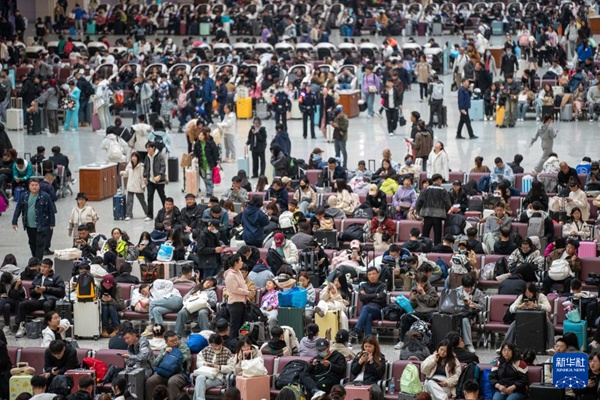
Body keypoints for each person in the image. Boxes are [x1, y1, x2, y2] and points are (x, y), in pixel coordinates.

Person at [498, 282, 554, 354]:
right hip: (523, 319)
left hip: (540, 319)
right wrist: (520, 306)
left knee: (550, 326)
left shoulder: (541, 296)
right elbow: (511, 308)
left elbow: (548, 308)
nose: (528, 295)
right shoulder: (521, 297)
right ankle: (504, 347)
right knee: (513, 325)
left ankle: (551, 347)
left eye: (530, 292)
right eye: (526, 293)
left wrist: (536, 306)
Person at [15, 259, 65, 338]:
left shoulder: (56, 277)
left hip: (50, 299)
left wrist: (46, 289)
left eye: (45, 267)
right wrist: (35, 291)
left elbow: (61, 291)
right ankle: (22, 326)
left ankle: (46, 328)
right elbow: (31, 292)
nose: (42, 268)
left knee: (46, 304)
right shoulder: (37, 277)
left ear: (50, 268)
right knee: (22, 304)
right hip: (38, 300)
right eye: (41, 266)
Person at [12, 179, 56, 259]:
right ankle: (35, 258)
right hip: (29, 224)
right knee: (32, 243)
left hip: (42, 224)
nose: (34, 187)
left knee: (40, 243)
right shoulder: (24, 196)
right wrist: (14, 221)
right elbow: (18, 208)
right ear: (29, 186)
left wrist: (52, 223)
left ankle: (38, 261)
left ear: (39, 186)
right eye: (32, 185)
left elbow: (51, 210)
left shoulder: (45, 196)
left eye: (36, 185)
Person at [396, 272, 439, 349]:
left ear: (425, 282)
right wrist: (413, 299)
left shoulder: (431, 290)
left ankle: (434, 342)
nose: (420, 285)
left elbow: (432, 303)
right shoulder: (414, 289)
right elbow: (413, 306)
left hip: (430, 312)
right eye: (418, 282)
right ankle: (402, 341)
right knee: (405, 317)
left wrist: (423, 293)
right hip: (419, 312)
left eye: (422, 283)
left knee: (435, 318)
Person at [145, 331, 191, 400]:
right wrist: (164, 354)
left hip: (180, 373)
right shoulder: (165, 349)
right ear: (166, 343)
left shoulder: (184, 348)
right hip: (165, 372)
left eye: (176, 339)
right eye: (172, 341)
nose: (175, 342)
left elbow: (183, 359)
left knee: (172, 382)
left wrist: (172, 354)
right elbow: (155, 363)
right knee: (150, 381)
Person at [193, 333, 233, 400]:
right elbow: (198, 362)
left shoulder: (227, 352)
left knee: (200, 386)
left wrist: (218, 367)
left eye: (217, 345)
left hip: (218, 377)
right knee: (199, 378)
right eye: (213, 345)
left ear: (221, 343)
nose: (215, 348)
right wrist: (205, 364)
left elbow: (231, 368)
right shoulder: (206, 350)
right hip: (206, 373)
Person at [349, 267, 386, 339]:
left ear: (378, 275)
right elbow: (362, 298)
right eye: (370, 274)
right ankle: (368, 338)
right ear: (367, 276)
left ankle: (356, 329)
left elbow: (381, 298)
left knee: (366, 308)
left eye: (374, 274)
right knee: (368, 315)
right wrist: (375, 295)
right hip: (365, 311)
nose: (372, 276)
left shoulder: (382, 286)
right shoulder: (363, 285)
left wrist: (367, 295)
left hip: (377, 310)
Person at [415, 174, 451, 245]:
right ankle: (436, 249)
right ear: (439, 180)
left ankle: (425, 248)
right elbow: (448, 204)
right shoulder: (443, 190)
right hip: (438, 216)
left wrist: (418, 211)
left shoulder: (426, 189)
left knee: (425, 234)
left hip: (427, 214)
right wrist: (446, 212)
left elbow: (419, 201)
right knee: (437, 235)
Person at [224, 254, 249, 342]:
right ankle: (232, 345)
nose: (242, 262)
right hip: (235, 304)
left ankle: (242, 343)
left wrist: (246, 294)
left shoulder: (238, 272)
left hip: (242, 302)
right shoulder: (230, 275)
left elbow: (243, 284)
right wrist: (246, 292)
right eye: (240, 261)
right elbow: (234, 289)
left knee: (244, 326)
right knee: (234, 327)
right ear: (236, 263)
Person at [120, 152, 148, 221]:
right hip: (130, 186)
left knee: (142, 201)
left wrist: (143, 185)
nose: (133, 158)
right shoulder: (129, 165)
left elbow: (142, 177)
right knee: (129, 201)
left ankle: (148, 213)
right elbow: (127, 173)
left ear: (137, 158)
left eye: (135, 157)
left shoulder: (141, 166)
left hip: (138, 186)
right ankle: (129, 214)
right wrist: (123, 173)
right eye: (132, 157)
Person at [143, 142, 167, 221]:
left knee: (162, 196)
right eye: (146, 148)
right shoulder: (147, 156)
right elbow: (146, 167)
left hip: (159, 181)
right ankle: (150, 215)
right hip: (150, 181)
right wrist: (145, 176)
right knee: (149, 197)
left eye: (149, 148)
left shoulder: (159, 156)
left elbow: (163, 166)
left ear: (153, 148)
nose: (147, 149)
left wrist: (160, 175)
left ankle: (166, 213)